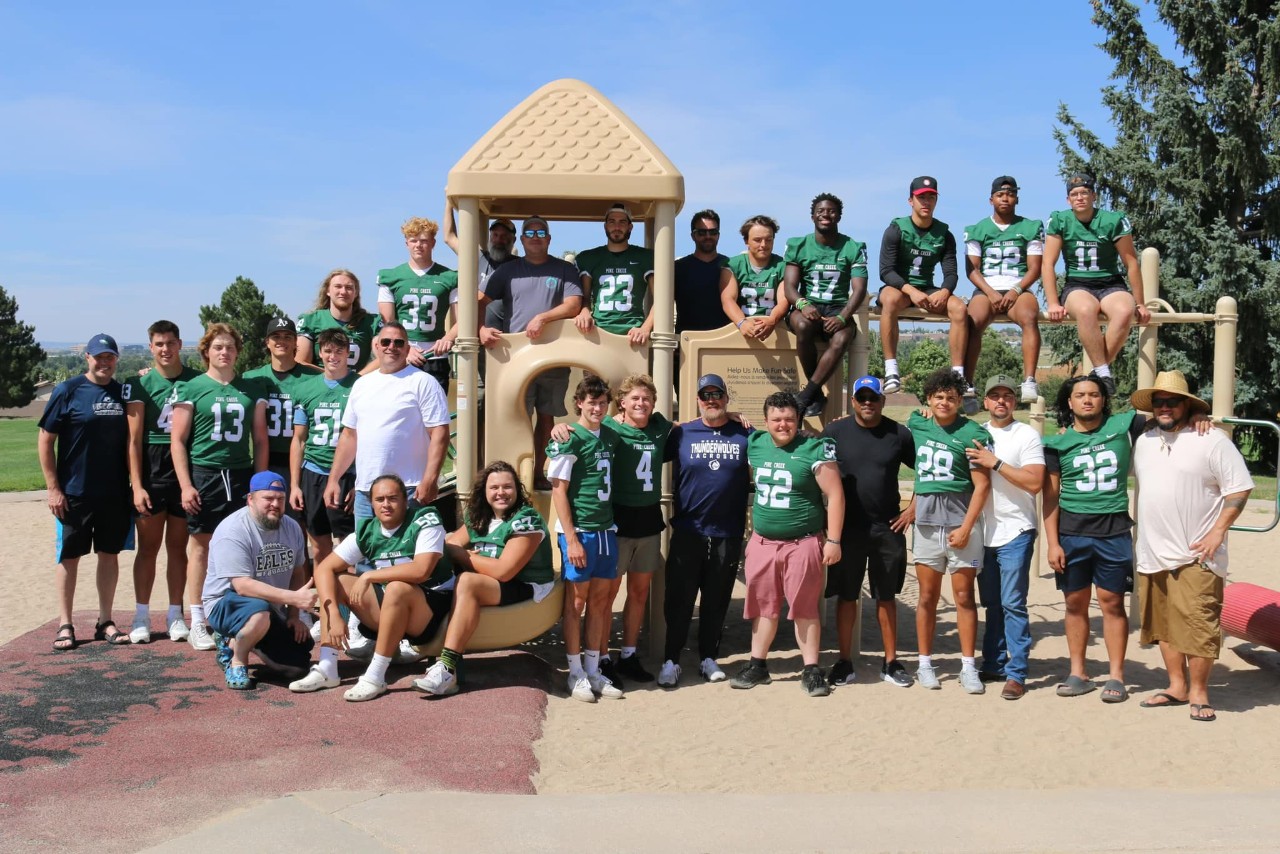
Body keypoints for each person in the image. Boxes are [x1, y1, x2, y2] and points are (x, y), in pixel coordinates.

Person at [1131, 371, 1252, 723]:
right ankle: (1176, 686)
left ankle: (1199, 692)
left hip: (1198, 552)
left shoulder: (1211, 440)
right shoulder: (1145, 439)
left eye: (1173, 401)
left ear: (1188, 405)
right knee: (1164, 626)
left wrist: (1218, 532)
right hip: (1152, 551)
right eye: (1160, 401)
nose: (1165, 407)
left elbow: (1240, 489)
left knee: (1199, 625)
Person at [290, 473, 454, 701]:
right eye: (380, 499)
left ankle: (376, 676)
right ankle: (327, 667)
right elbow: (323, 569)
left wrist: (370, 577)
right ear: (372, 503)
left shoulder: (425, 518)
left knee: (397, 587)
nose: (386, 504)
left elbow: (421, 571)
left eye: (393, 498)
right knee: (338, 581)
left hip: (431, 611)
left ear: (405, 501)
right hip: (390, 608)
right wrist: (335, 613)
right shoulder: (368, 530)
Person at [553, 374, 670, 687]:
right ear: (622, 403)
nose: (641, 403)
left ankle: (621, 656)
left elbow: (687, 428)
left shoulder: (652, 428)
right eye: (634, 398)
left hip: (636, 521)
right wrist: (558, 426)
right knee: (595, 597)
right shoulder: (602, 429)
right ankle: (596, 659)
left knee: (631, 593)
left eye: (646, 398)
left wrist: (731, 416)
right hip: (607, 521)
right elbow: (560, 482)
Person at [732, 391, 843, 697]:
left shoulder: (813, 448)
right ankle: (758, 664)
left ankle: (810, 669)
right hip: (763, 542)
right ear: (766, 421)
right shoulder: (755, 443)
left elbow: (835, 495)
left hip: (802, 542)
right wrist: (730, 415)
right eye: (777, 419)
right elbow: (728, 424)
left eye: (789, 419)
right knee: (763, 607)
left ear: (798, 420)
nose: (783, 425)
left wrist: (833, 540)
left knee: (805, 608)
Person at [1042, 374, 1143, 702]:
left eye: (1094, 395)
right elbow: (1051, 496)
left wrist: (1197, 417)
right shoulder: (1056, 443)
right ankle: (1078, 672)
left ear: (1104, 399)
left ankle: (1116, 675)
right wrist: (1053, 542)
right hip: (1072, 534)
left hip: (1113, 531)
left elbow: (1168, 416)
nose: (1087, 400)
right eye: (1080, 395)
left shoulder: (1124, 425)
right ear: (1069, 402)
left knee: (1112, 601)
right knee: (1074, 602)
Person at [416, 461, 556, 697]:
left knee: (468, 581)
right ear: (484, 491)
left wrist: (464, 556)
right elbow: (448, 544)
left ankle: (447, 668)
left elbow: (504, 571)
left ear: (517, 489)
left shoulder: (526, 518)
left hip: (526, 584)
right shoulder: (480, 516)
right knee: (433, 568)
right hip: (491, 582)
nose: (501, 493)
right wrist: (464, 555)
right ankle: (415, 639)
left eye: (507, 487)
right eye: (494, 488)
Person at [170, 323, 269, 652]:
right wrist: (186, 485)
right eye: (217, 347)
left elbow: (259, 438)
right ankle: (198, 617)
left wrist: (260, 483)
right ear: (206, 352)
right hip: (206, 473)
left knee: (245, 545)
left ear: (237, 351)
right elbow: (178, 441)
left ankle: (241, 613)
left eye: (229, 347)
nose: (224, 352)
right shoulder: (192, 387)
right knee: (201, 545)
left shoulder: (250, 389)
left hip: (240, 473)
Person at [821, 375, 917, 688]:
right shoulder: (835, 431)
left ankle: (890, 662)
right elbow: (815, 470)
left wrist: (913, 508)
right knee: (847, 596)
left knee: (885, 597)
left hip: (887, 527)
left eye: (872, 398)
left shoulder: (898, 434)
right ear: (853, 402)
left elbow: (927, 471)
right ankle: (844, 660)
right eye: (861, 397)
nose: (867, 403)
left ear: (882, 400)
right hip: (847, 528)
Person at [38, 332, 132, 651]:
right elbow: (45, 440)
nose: (104, 362)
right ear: (87, 359)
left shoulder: (123, 393)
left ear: (115, 359)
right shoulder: (69, 390)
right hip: (75, 492)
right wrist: (53, 488)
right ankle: (65, 623)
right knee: (70, 557)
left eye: (110, 357)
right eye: (98, 357)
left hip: (115, 491)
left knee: (109, 555)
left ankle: (105, 620)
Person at [658, 374, 751, 686]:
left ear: (726, 398)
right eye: (705, 395)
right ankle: (671, 660)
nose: (711, 400)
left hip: (727, 532)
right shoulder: (682, 433)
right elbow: (643, 437)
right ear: (698, 400)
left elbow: (782, 439)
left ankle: (708, 658)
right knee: (679, 598)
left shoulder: (745, 433)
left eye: (717, 395)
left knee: (717, 598)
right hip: (688, 530)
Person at [479, 215, 583, 490]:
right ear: (522, 240)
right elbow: (479, 300)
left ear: (549, 239)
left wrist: (544, 318)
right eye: (530, 232)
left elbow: (573, 305)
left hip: (554, 355)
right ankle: (514, 478)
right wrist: (480, 329)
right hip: (516, 358)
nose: (535, 237)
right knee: (518, 417)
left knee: (547, 417)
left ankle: (538, 473)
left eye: (541, 233)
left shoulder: (564, 269)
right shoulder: (508, 270)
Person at [906, 368, 993, 693]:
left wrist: (967, 527)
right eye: (938, 397)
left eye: (951, 398)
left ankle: (968, 666)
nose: (944, 402)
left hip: (960, 523)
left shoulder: (972, 432)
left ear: (960, 401)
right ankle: (924, 663)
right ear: (929, 398)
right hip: (928, 523)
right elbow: (914, 415)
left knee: (963, 597)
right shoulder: (918, 422)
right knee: (927, 597)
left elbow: (982, 487)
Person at [963, 375, 1044, 701]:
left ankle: (1017, 672)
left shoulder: (1027, 435)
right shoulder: (977, 433)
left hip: (1016, 529)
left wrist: (995, 462)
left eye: (1007, 396)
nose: (1001, 401)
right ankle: (994, 662)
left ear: (1015, 401)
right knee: (992, 603)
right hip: (984, 531)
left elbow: (1034, 482)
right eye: (994, 396)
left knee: (1012, 602)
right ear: (984, 402)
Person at [122, 320, 201, 644]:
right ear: (151, 347)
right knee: (149, 548)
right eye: (159, 344)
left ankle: (175, 614)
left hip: (184, 468)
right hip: (153, 467)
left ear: (180, 344)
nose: (165, 349)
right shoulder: (139, 384)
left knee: (179, 548)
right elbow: (133, 439)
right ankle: (141, 615)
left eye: (170, 343)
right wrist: (137, 484)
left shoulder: (197, 380)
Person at [547, 374, 623, 702]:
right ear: (579, 402)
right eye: (591, 402)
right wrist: (573, 538)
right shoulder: (569, 437)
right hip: (581, 530)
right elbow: (558, 491)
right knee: (576, 601)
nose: (597, 407)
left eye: (602, 402)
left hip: (606, 528)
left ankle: (593, 669)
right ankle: (574, 670)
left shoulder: (609, 433)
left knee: (602, 601)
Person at [324, 321, 450, 519]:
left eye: (399, 343)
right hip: (367, 492)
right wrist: (333, 480)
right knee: (367, 548)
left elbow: (440, 434)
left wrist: (430, 479)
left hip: (409, 489)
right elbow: (349, 436)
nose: (392, 347)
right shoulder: (361, 385)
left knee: (406, 550)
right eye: (386, 342)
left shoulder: (423, 382)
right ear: (376, 347)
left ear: (407, 349)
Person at [202, 471, 316, 690]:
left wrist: (293, 615)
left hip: (266, 608)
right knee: (259, 610)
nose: (275, 504)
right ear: (250, 499)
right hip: (225, 603)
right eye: (268, 498)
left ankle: (233, 641)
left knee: (297, 667)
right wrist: (293, 598)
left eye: (280, 499)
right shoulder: (233, 530)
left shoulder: (291, 527)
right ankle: (237, 661)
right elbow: (242, 586)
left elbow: (297, 572)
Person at [1042, 172, 1150, 397]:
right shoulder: (1060, 220)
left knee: (1124, 310)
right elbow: (1048, 263)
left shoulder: (1113, 220)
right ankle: (1103, 371)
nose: (1079, 197)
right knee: (1085, 310)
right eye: (1074, 194)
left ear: (1094, 196)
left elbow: (1130, 263)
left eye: (1084, 193)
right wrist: (1053, 302)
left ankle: (1099, 371)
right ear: (1068, 200)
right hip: (1078, 284)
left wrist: (1140, 303)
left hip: (1111, 283)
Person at [877, 176, 970, 404]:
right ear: (911, 200)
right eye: (921, 197)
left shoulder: (944, 234)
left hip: (927, 288)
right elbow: (886, 271)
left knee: (959, 308)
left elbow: (951, 273)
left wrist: (945, 291)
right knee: (888, 299)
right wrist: (910, 291)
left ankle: (958, 374)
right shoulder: (895, 229)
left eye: (931, 197)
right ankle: (891, 369)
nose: (926, 202)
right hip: (900, 288)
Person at [782, 194, 869, 417]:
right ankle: (816, 394)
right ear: (813, 216)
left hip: (837, 307)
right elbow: (789, 286)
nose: (826, 215)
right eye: (821, 211)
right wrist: (802, 303)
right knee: (802, 326)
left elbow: (859, 289)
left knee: (841, 338)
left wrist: (842, 317)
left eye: (831, 210)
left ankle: (805, 396)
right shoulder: (798, 245)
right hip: (809, 304)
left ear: (839, 215)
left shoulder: (852, 247)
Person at [963, 177, 1045, 402]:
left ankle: (1029, 380)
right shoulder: (978, 229)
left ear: (1017, 198)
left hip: (1017, 289)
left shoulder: (1030, 226)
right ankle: (967, 383)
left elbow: (1035, 268)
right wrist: (990, 292)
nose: (1005, 198)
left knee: (1030, 317)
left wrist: (1015, 290)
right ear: (991, 200)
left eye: (1010, 194)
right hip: (986, 289)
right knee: (972, 321)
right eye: (1000, 194)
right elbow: (972, 270)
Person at [289, 328, 358, 565]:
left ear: (348, 353)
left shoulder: (360, 386)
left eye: (339, 351)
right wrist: (295, 485)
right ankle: (325, 599)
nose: (333, 356)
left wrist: (360, 481)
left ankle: (348, 601)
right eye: (328, 351)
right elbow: (298, 440)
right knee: (319, 546)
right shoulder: (305, 390)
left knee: (349, 546)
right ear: (320, 353)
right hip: (314, 472)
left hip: (347, 474)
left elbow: (369, 439)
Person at [243, 316, 322, 520]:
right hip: (266, 459)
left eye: (288, 336)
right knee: (265, 521)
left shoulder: (313, 378)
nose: (281, 341)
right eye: (275, 336)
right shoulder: (251, 378)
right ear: (266, 342)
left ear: (296, 342)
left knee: (300, 524)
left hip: (302, 462)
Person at [376, 217, 460, 393]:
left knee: (434, 413)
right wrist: (405, 348)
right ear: (406, 243)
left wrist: (448, 338)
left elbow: (461, 320)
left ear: (433, 243)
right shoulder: (391, 276)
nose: (418, 245)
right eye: (413, 240)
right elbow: (388, 321)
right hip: (402, 354)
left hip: (435, 355)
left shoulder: (449, 277)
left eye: (424, 240)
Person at [574, 204, 656, 344]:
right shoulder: (589, 258)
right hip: (597, 331)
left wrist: (645, 328)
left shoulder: (645, 257)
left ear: (630, 227)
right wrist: (584, 311)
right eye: (612, 222)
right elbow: (585, 299)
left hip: (632, 333)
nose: (616, 227)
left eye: (622, 222)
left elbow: (661, 300)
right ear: (605, 226)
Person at [296, 268, 382, 371]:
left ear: (356, 293)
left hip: (357, 384)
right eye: (338, 286)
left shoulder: (372, 322)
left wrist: (356, 379)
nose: (343, 291)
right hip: (321, 384)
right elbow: (301, 361)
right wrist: (331, 378)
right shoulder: (310, 321)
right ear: (327, 291)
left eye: (349, 287)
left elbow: (382, 357)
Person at [721, 214, 789, 343]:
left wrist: (772, 320)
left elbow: (784, 301)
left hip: (774, 329)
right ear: (746, 241)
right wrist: (742, 322)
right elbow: (728, 299)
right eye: (757, 240)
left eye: (768, 240)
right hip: (739, 330)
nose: (763, 244)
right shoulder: (733, 265)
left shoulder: (782, 266)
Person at [674, 209, 732, 335]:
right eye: (702, 232)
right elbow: (662, 306)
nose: (708, 236)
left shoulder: (731, 266)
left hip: (724, 342)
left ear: (718, 235)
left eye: (713, 232)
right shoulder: (678, 268)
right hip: (688, 343)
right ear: (693, 235)